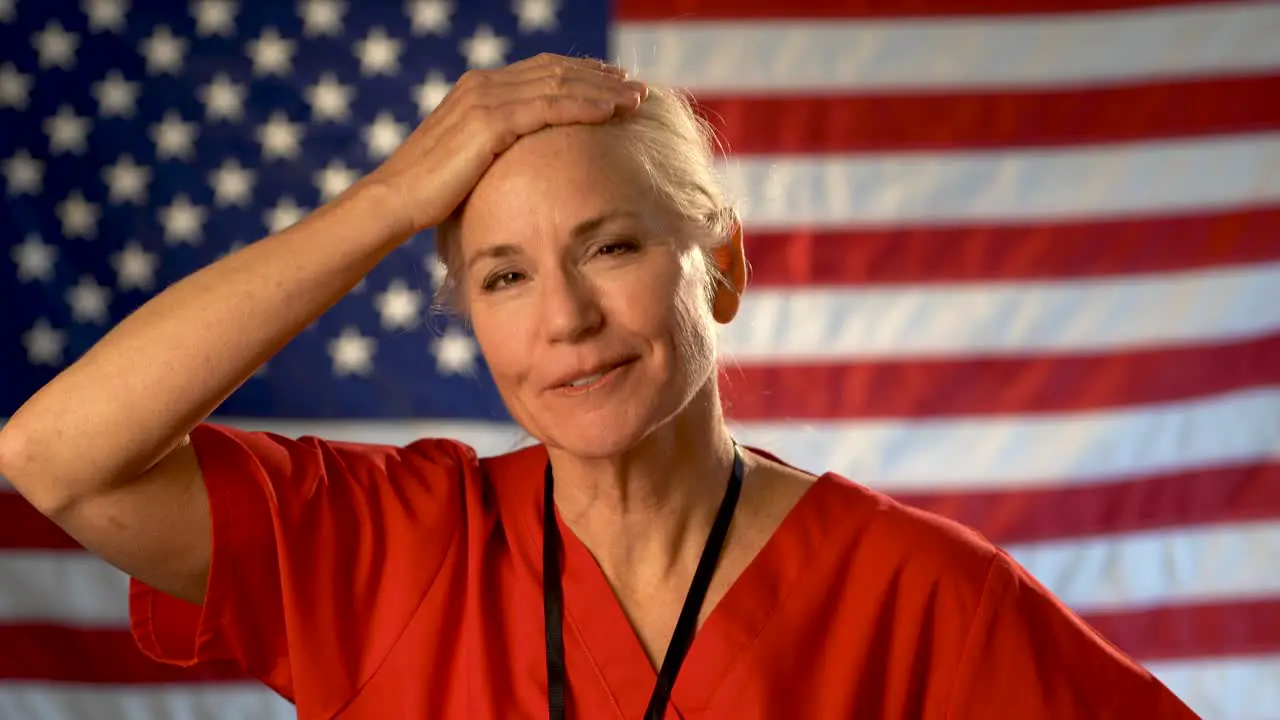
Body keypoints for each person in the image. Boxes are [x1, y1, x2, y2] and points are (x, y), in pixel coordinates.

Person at [0, 53, 1199, 719]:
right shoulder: (390, 552)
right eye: (503, 275)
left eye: (611, 247)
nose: (565, 320)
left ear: (718, 266)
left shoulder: (924, 599)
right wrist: (389, 204)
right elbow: (55, 457)